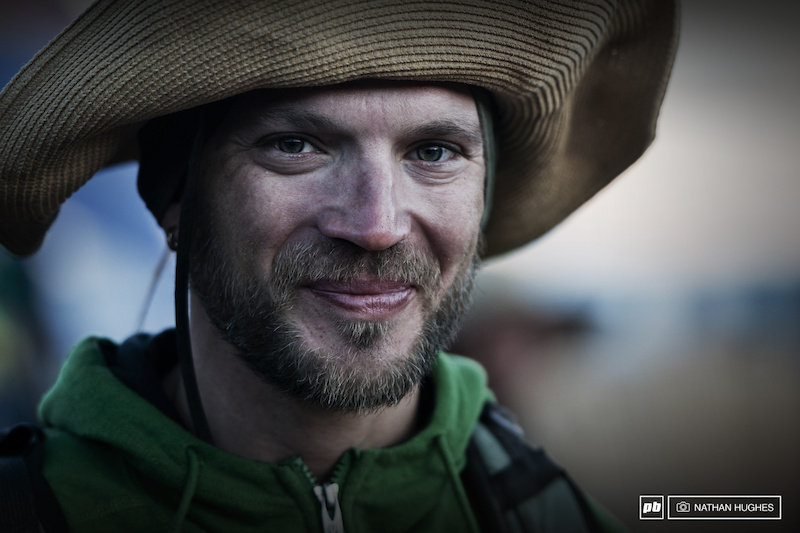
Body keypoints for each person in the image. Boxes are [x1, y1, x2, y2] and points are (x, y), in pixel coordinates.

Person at [0, 1, 678, 531]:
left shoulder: (550, 511)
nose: (377, 225)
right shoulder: (36, 506)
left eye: (435, 151)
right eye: (295, 145)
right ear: (174, 195)